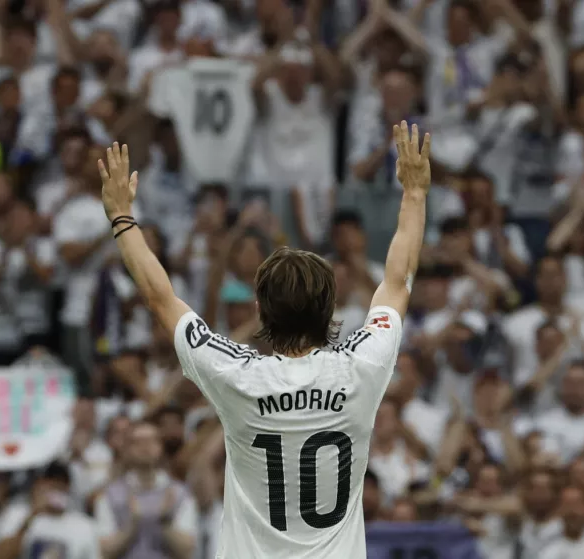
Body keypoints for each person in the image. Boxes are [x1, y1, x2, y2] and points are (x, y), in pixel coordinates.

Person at [93, 120, 431, 558]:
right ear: (329, 311)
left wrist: (122, 218)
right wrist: (415, 195)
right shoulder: (361, 366)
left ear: (261, 311)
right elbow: (397, 281)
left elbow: (162, 299)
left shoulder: (239, 376)